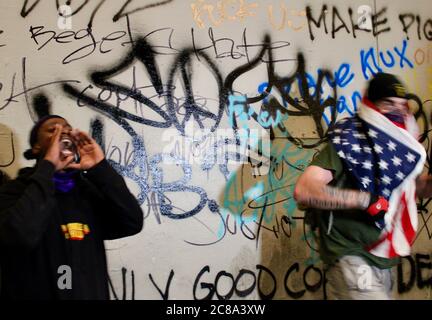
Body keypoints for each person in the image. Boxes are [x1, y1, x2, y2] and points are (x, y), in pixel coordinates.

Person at [294, 72, 432, 300]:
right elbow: (304, 190)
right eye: (388, 104)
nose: (397, 111)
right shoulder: (349, 140)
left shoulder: (404, 146)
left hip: (383, 253)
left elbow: (416, 189)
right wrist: (363, 200)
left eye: (401, 105)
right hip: (350, 251)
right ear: (372, 104)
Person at [0, 115, 143, 299]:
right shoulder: (14, 191)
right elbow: (18, 236)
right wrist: (48, 168)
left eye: (67, 129)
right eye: (53, 130)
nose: (63, 132)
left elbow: (132, 222)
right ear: (36, 147)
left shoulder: (86, 193)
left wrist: (99, 167)